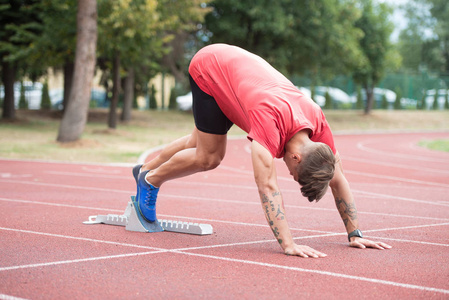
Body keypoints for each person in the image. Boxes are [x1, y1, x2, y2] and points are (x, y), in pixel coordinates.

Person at [134, 43, 392, 258]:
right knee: (209, 157)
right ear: (295, 157)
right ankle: (149, 180)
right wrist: (288, 244)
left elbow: (339, 179)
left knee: (200, 140)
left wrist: (355, 233)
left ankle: (144, 168)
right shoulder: (269, 125)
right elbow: (268, 187)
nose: (289, 174)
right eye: (294, 174)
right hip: (211, 67)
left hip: (240, 72)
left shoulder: (318, 125)